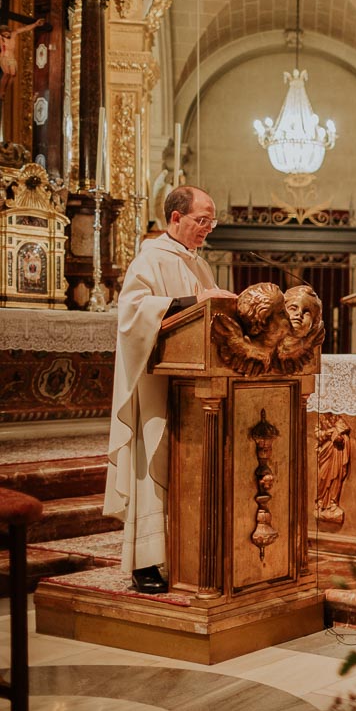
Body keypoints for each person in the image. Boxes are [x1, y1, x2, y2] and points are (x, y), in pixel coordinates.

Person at [103, 185, 236, 594]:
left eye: (211, 222)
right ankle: (144, 563)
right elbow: (131, 313)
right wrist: (192, 302)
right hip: (157, 387)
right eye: (201, 220)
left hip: (194, 389)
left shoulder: (198, 263)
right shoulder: (150, 258)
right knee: (150, 469)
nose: (207, 230)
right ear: (175, 219)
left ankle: (186, 554)